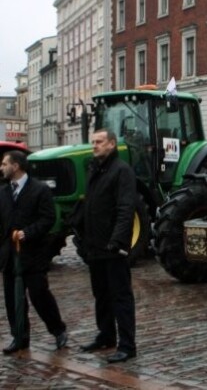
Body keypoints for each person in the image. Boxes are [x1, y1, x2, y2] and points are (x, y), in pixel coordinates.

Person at [0, 150, 67, 354]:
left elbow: (48, 219)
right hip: (9, 257)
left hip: (33, 255)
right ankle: (19, 336)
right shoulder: (2, 192)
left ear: (16, 166)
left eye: (4, 164)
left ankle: (58, 330)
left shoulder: (39, 190)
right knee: (12, 299)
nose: (1, 167)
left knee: (39, 295)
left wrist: (27, 233)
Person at [79, 128, 137, 363]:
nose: (95, 145)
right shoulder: (95, 169)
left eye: (100, 142)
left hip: (113, 247)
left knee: (120, 296)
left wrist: (117, 240)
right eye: (93, 142)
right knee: (101, 294)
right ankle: (106, 335)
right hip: (95, 245)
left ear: (112, 144)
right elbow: (90, 205)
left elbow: (125, 209)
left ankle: (127, 345)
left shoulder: (122, 171)